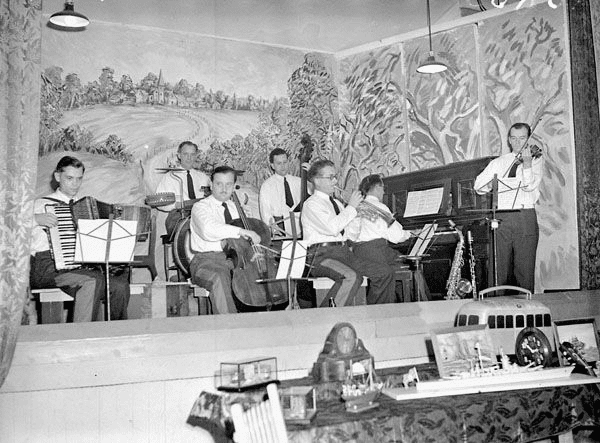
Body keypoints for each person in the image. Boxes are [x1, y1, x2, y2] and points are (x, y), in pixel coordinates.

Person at [30, 155, 130, 321]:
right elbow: (9, 227)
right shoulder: (39, 204)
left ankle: (116, 332)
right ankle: (82, 333)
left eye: (79, 179)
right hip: (47, 268)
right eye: (69, 178)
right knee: (92, 281)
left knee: (120, 286)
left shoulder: (84, 206)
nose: (75, 184)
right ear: (57, 176)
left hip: (78, 269)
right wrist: (35, 219)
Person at [302, 160, 397, 306]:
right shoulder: (311, 204)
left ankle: (376, 312)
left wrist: (361, 215)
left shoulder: (337, 204)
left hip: (343, 252)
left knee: (385, 273)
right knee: (351, 277)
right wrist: (351, 207)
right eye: (330, 177)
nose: (335, 181)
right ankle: (325, 315)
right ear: (317, 180)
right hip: (321, 256)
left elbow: (350, 234)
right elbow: (332, 228)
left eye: (335, 177)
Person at [474, 122, 544, 292]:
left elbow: (529, 186)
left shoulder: (535, 159)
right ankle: (496, 305)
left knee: (524, 270)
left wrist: (527, 165)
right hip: (502, 217)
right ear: (509, 140)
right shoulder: (498, 162)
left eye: (522, 138)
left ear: (528, 139)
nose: (518, 142)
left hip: (524, 216)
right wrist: (492, 184)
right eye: (514, 138)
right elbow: (478, 187)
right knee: (498, 269)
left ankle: (526, 306)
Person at [188, 166, 262, 314]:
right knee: (219, 277)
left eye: (228, 184)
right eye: (219, 184)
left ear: (234, 186)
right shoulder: (200, 207)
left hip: (238, 261)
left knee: (258, 278)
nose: (224, 189)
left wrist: (253, 248)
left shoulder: (237, 208)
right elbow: (208, 229)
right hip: (206, 261)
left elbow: (246, 241)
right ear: (211, 185)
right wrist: (240, 231)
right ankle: (228, 324)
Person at [345, 174, 411, 302]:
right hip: (376, 251)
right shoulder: (380, 207)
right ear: (377, 188)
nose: (384, 192)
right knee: (408, 264)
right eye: (383, 188)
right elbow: (396, 236)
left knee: (397, 264)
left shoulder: (355, 206)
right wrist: (409, 234)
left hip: (358, 253)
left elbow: (350, 234)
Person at [156, 141, 211, 237]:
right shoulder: (170, 177)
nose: (189, 158)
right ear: (179, 155)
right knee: (192, 231)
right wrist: (176, 205)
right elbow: (159, 203)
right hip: (178, 217)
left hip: (201, 215)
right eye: (185, 154)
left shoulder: (203, 177)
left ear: (196, 156)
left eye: (192, 154)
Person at [259, 148, 303, 236]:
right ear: (272, 165)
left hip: (300, 225)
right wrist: (275, 231)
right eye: (279, 163)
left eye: (285, 162)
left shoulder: (299, 182)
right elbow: (265, 212)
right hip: (279, 226)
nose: (283, 166)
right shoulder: (267, 186)